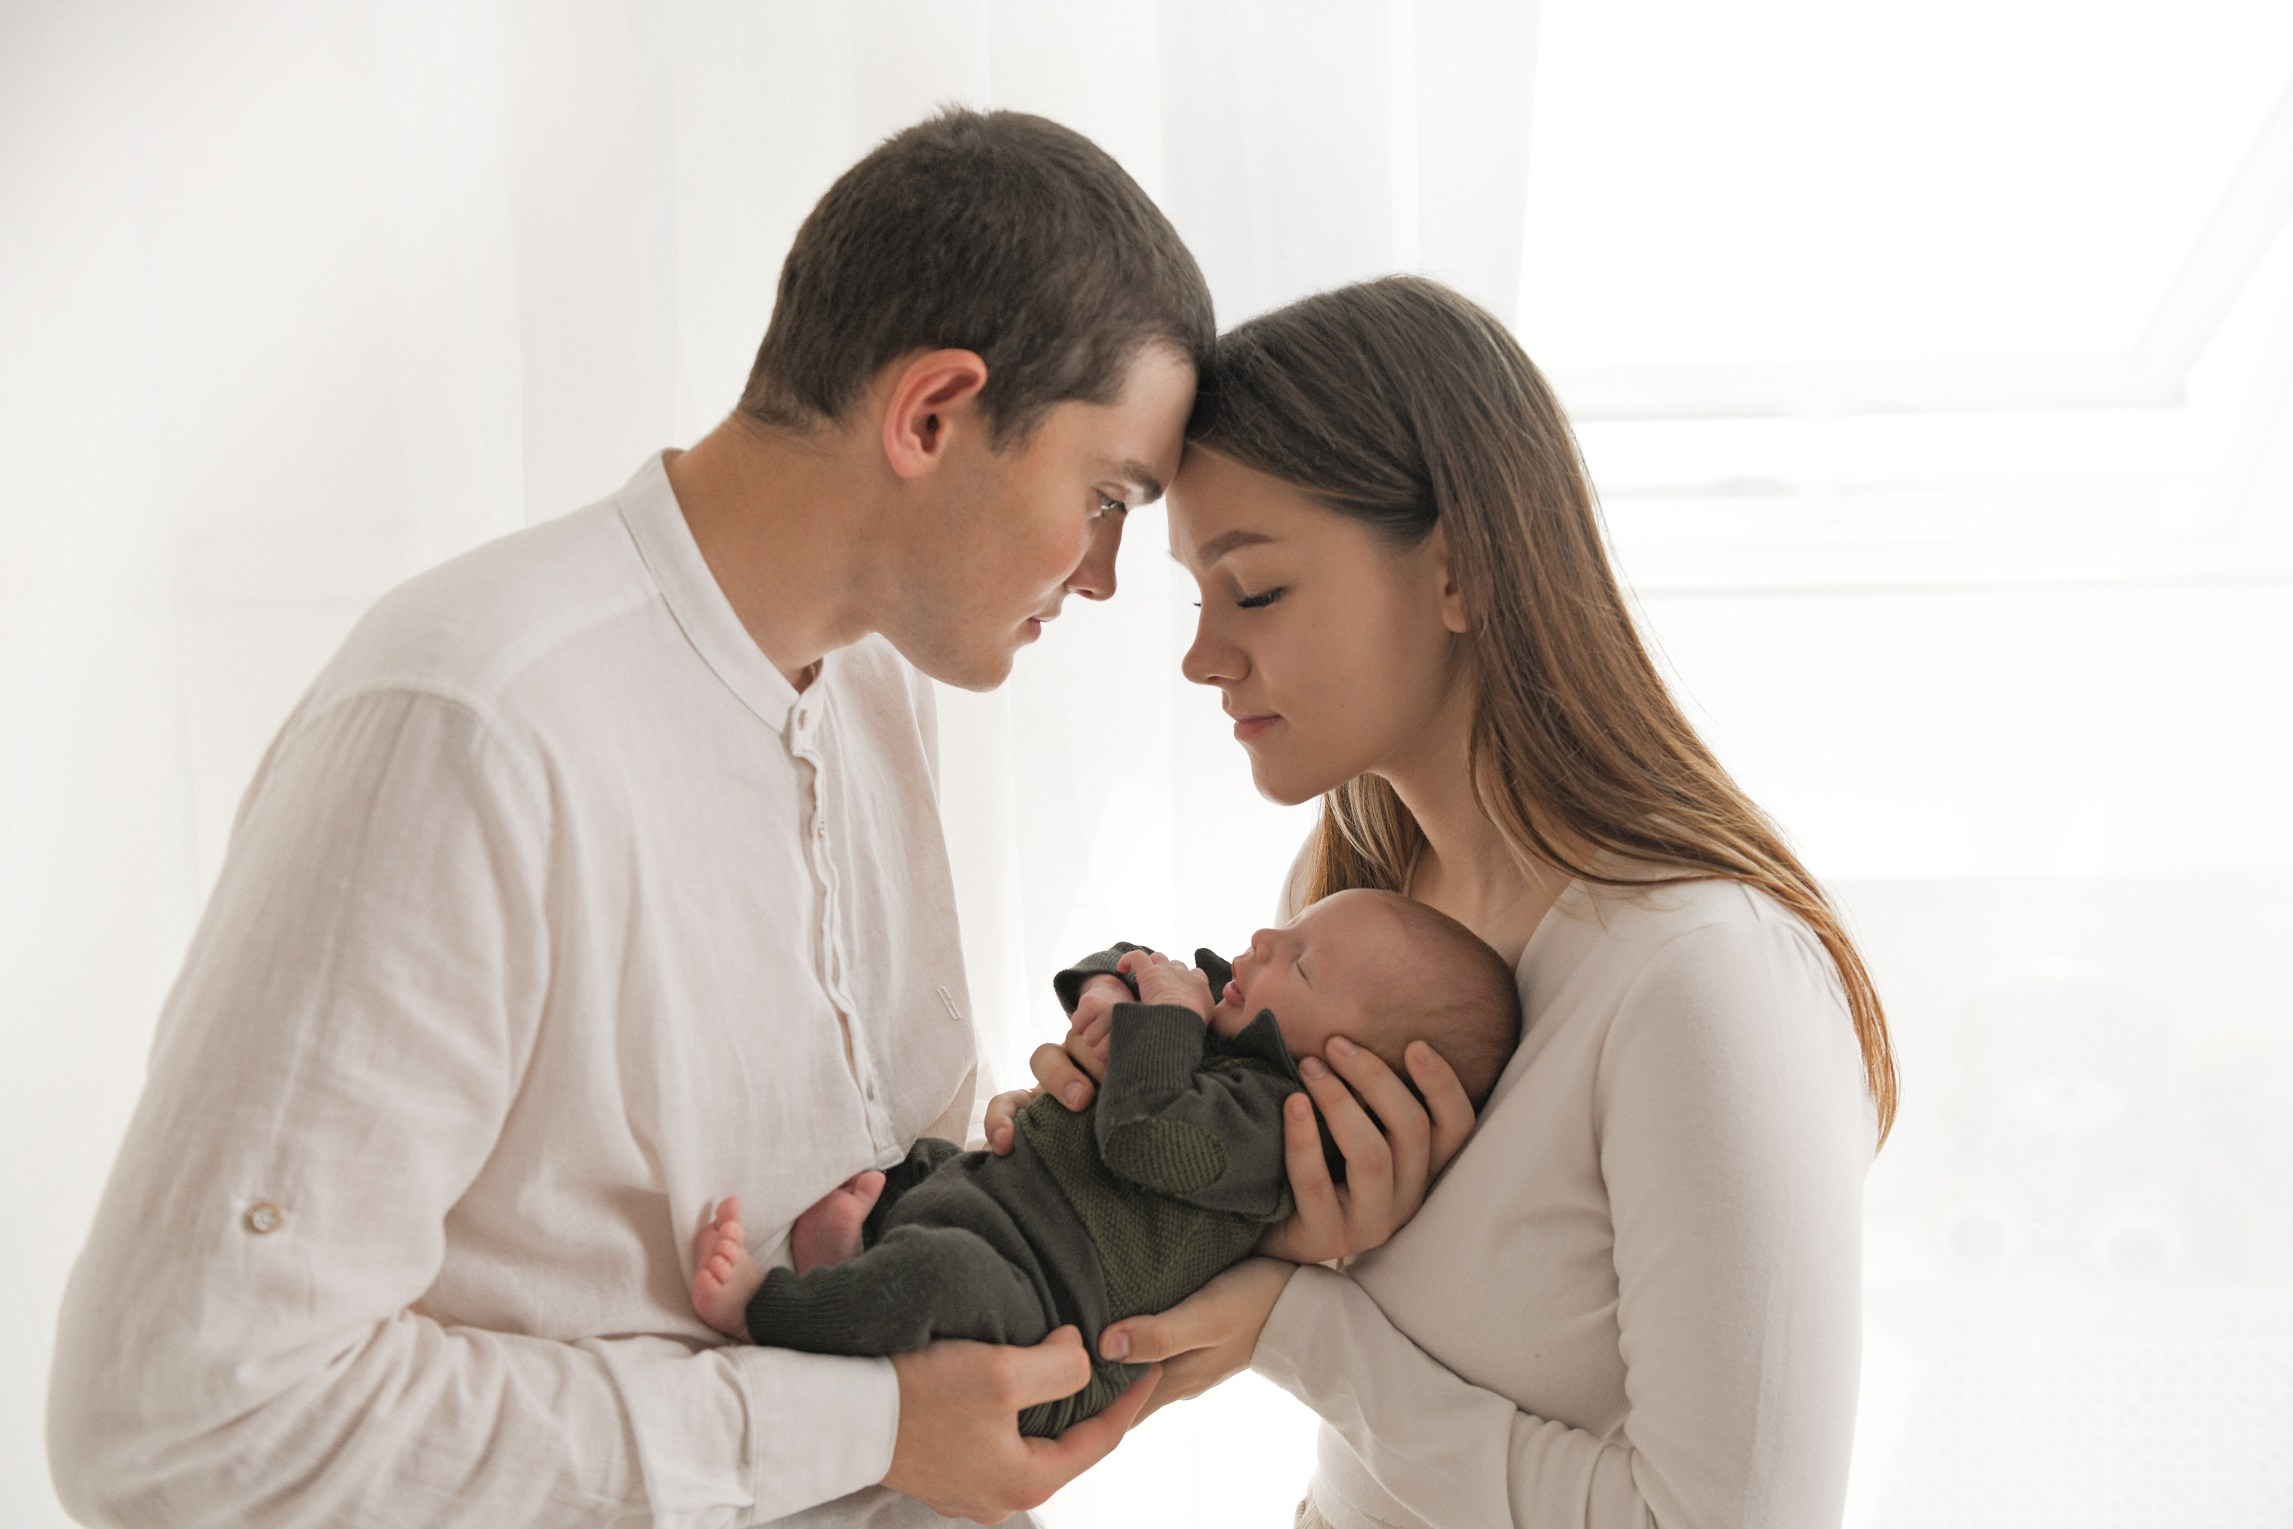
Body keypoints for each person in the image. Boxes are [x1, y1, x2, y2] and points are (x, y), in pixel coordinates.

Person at [46, 109, 1214, 1528]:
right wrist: (860, 1425)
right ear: (931, 414)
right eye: (1103, 499)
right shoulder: (468, 720)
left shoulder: (871, 695)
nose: (1102, 577)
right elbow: (191, 1418)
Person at [993, 275, 1897, 1529]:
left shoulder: (1704, 981)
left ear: (1460, 567)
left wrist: (1298, 1322)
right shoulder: (1349, 908)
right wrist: (1101, 1153)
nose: (1203, 655)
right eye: (1197, 598)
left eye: (1252, 590)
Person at [687, 889, 1522, 1438]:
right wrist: (1110, 992)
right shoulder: (1225, 1022)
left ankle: (770, 1311)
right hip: (994, 1201)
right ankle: (851, 1264)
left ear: (1343, 1071)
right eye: (1289, 925)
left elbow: (1145, 1131)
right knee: (918, 1160)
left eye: (1299, 959)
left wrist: (1166, 1019)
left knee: (934, 1277)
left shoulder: (1266, 1128)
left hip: (1043, 1316)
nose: (1263, 939)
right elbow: (1136, 957)